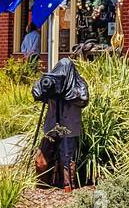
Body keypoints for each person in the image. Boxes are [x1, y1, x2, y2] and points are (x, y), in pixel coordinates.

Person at [31, 57, 89, 191]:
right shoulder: (51, 81)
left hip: (69, 126)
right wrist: (46, 88)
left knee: (67, 159)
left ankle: (67, 187)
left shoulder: (78, 83)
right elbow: (36, 92)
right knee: (42, 157)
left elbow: (84, 99)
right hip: (52, 126)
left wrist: (67, 92)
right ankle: (42, 185)